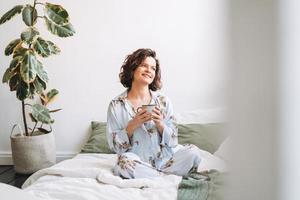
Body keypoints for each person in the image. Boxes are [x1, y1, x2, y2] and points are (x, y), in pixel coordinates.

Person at [106, 48, 201, 179]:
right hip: (136, 162)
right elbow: (115, 147)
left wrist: (160, 124)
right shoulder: (116, 104)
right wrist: (132, 125)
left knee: (193, 152)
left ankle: (154, 175)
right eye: (144, 65)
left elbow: (173, 141)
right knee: (124, 163)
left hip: (166, 161)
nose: (149, 70)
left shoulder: (163, 101)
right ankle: (165, 177)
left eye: (153, 68)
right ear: (132, 68)